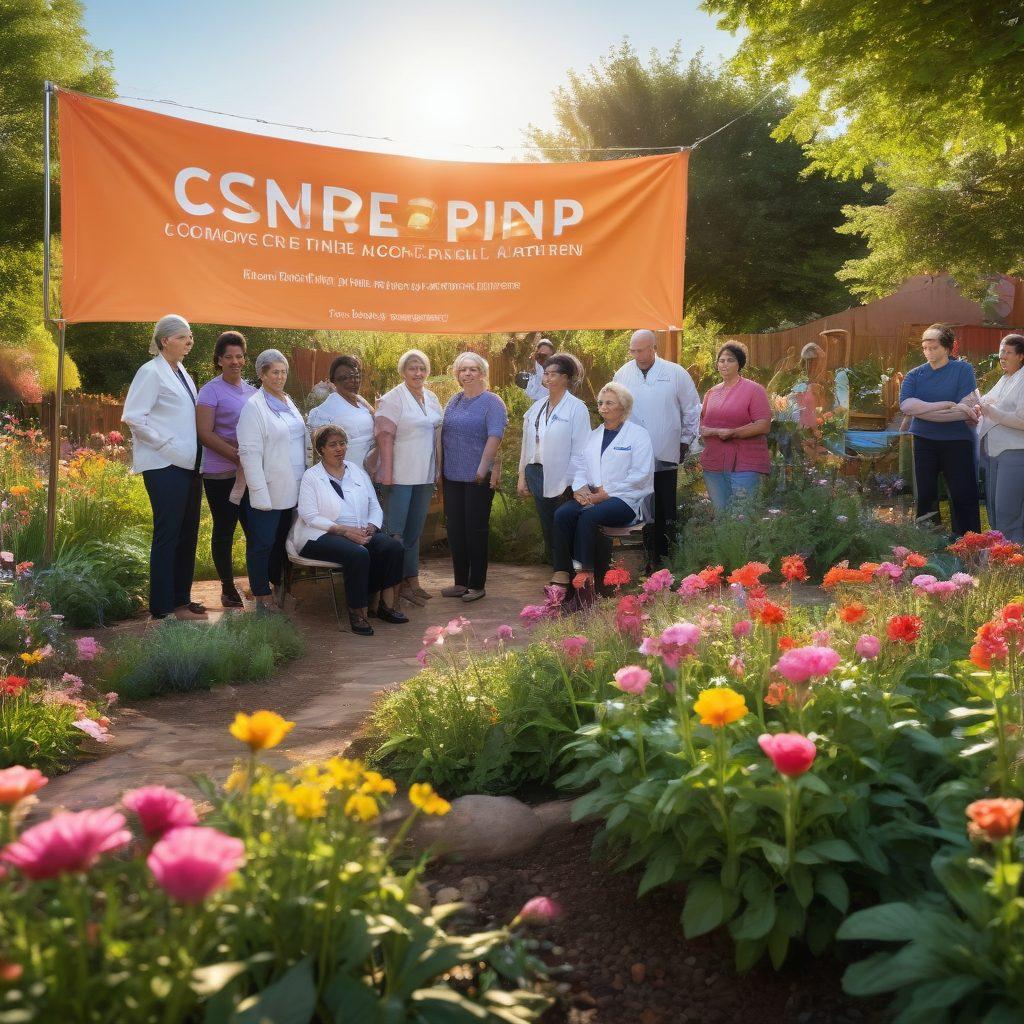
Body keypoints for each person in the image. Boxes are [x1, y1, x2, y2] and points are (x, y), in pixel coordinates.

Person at [122, 314, 207, 622]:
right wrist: (165, 446)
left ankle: (180, 601)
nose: (190, 342)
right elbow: (133, 417)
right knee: (169, 533)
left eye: (191, 337)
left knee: (188, 533)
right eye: (184, 337)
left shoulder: (181, 370)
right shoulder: (150, 372)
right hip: (164, 464)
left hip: (188, 464)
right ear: (165, 341)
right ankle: (162, 607)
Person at [291, 425, 408, 636]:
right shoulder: (312, 476)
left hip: (361, 530)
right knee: (357, 554)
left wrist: (371, 526)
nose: (339, 449)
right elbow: (309, 515)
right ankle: (357, 612)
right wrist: (344, 531)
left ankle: (384, 606)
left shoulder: (356, 471)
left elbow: (374, 504)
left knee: (393, 547)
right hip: (320, 534)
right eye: (332, 445)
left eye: (342, 443)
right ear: (321, 450)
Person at [552, 382, 654, 601]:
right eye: (601, 403)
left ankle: (586, 578)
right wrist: (579, 489)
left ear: (623, 407)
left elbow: (641, 474)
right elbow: (579, 466)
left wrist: (606, 494)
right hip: (592, 496)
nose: (603, 407)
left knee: (589, 515)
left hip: (625, 499)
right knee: (563, 514)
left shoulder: (638, 435)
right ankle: (564, 574)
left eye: (610, 403)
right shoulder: (593, 435)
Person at [614, 329, 700, 565]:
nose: (637, 355)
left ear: (654, 347)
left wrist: (685, 441)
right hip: (634, 457)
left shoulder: (675, 373)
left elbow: (692, 409)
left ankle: (666, 560)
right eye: (633, 350)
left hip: (666, 452)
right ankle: (647, 560)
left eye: (641, 350)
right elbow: (614, 410)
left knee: (665, 509)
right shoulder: (622, 374)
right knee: (641, 509)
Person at [235, 349, 309, 611]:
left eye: (283, 372)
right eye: (274, 372)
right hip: (267, 489)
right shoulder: (253, 407)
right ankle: (260, 592)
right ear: (262, 375)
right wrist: (258, 492)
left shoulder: (288, 401)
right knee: (262, 543)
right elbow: (249, 454)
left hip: (294, 486)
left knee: (281, 542)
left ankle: (279, 587)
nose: (280, 377)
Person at [375, 349, 443, 606]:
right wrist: (387, 476)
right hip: (399, 476)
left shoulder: (432, 397)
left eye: (422, 368)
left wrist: (438, 472)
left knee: (415, 532)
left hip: (424, 475)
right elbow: (383, 439)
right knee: (396, 533)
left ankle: (412, 580)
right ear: (403, 371)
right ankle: (394, 585)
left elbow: (437, 434)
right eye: (413, 368)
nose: (418, 373)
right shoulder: (393, 399)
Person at [899, 324, 980, 537]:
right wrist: (945, 404)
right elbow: (906, 405)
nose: (928, 352)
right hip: (924, 441)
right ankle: (928, 544)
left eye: (933, 347)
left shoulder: (963, 370)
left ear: (947, 347)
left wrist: (923, 411)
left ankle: (968, 543)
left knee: (963, 494)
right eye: (925, 347)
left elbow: (967, 410)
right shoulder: (915, 375)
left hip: (957, 441)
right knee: (926, 495)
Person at [516, 352, 591, 584]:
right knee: (548, 527)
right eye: (545, 374)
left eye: (553, 374)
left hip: (565, 479)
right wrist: (522, 476)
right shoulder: (537, 407)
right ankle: (561, 574)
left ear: (566, 378)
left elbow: (582, 449)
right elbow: (526, 444)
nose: (547, 379)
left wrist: (576, 483)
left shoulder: (576, 408)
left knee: (564, 525)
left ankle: (572, 576)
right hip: (536, 473)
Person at [440, 352, 508, 602]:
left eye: (473, 369)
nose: (467, 374)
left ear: (482, 373)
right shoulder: (454, 401)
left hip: (478, 478)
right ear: (457, 375)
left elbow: (495, 436)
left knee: (475, 530)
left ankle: (477, 584)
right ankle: (460, 583)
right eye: (462, 370)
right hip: (452, 477)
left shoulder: (492, 402)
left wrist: (484, 468)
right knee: (456, 530)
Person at [196, 331, 257, 609]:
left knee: (254, 529)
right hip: (221, 473)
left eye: (239, 356)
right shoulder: (210, 391)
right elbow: (204, 433)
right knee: (225, 530)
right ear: (219, 360)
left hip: (250, 473)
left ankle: (257, 583)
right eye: (228, 357)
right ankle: (228, 587)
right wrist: (236, 456)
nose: (235, 361)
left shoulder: (252, 391)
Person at [963, 334, 1024, 542]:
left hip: (1015, 453)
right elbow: (988, 401)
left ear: (1021, 356)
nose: (1002, 356)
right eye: (1001, 352)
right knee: (994, 511)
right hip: (993, 452)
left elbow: (1022, 421)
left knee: (1009, 511)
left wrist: (991, 411)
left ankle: (1014, 560)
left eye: (1008, 352)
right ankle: (1000, 557)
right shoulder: (1006, 378)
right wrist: (979, 406)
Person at [700, 342, 772, 512]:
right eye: (721, 360)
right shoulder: (711, 393)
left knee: (742, 517)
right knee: (721, 515)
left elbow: (764, 425)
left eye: (730, 360)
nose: (724, 364)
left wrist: (734, 432)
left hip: (745, 462)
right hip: (714, 463)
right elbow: (702, 423)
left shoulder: (754, 390)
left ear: (739, 363)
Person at [307, 355, 376, 471]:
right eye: (346, 378)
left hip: (371, 472)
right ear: (334, 381)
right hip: (345, 473)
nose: (353, 381)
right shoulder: (327, 410)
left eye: (356, 376)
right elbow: (318, 444)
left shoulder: (362, 403)